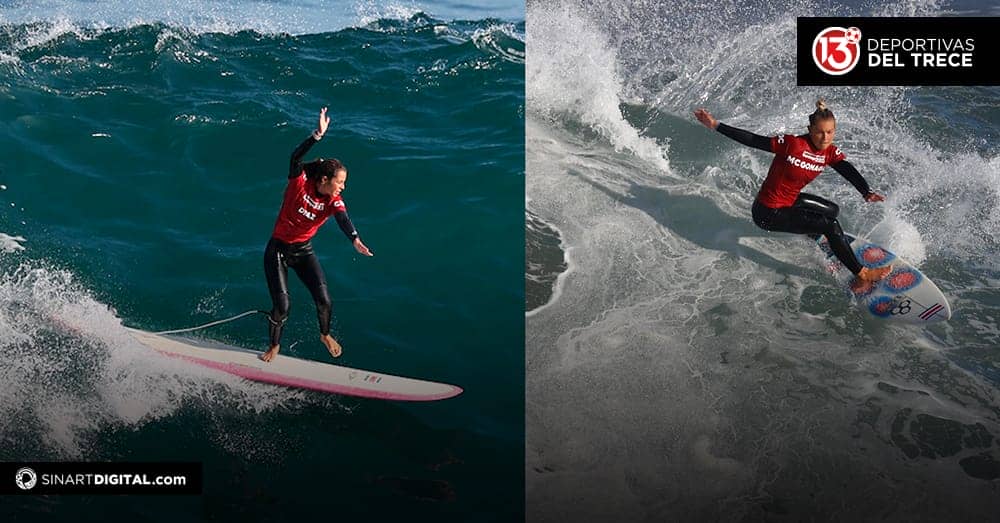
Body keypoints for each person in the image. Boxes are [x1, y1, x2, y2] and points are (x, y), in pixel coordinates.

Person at [694, 100, 891, 283]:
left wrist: (866, 191)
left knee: (832, 210)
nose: (825, 138)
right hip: (768, 213)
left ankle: (811, 231)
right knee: (831, 225)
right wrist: (716, 125)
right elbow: (753, 140)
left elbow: (846, 168)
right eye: (820, 132)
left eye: (830, 132)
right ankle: (862, 274)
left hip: (789, 202)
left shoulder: (829, 152)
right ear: (810, 130)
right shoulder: (792, 144)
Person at [261, 107, 373, 362]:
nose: (343, 187)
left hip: (303, 251)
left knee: (324, 300)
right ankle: (274, 345)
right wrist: (316, 136)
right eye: (340, 182)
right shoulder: (299, 183)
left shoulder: (333, 200)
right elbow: (295, 157)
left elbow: (343, 218)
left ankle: (325, 334)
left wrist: (354, 239)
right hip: (278, 250)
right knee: (282, 307)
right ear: (324, 179)